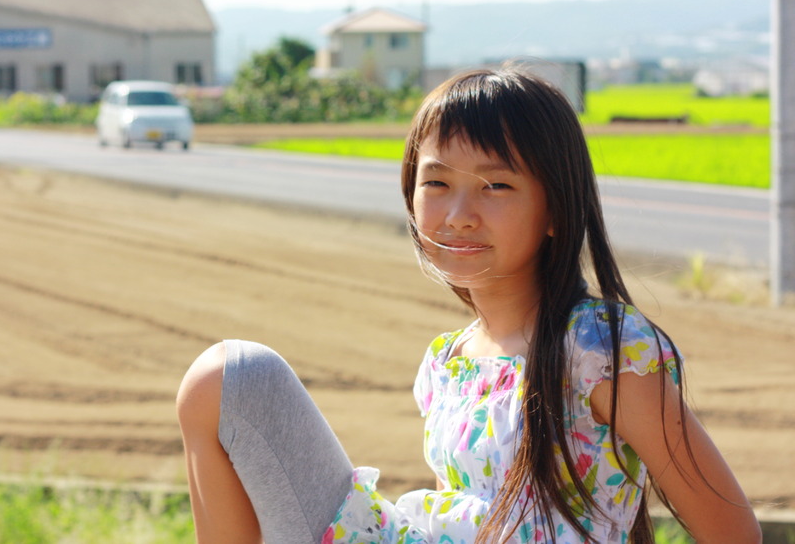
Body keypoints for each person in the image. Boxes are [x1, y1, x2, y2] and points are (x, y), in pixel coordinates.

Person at [176, 67, 761, 544]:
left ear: (557, 209)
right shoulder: (447, 362)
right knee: (218, 384)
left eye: (496, 186)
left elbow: (732, 532)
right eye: (436, 184)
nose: (458, 213)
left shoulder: (604, 350)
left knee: (239, 375)